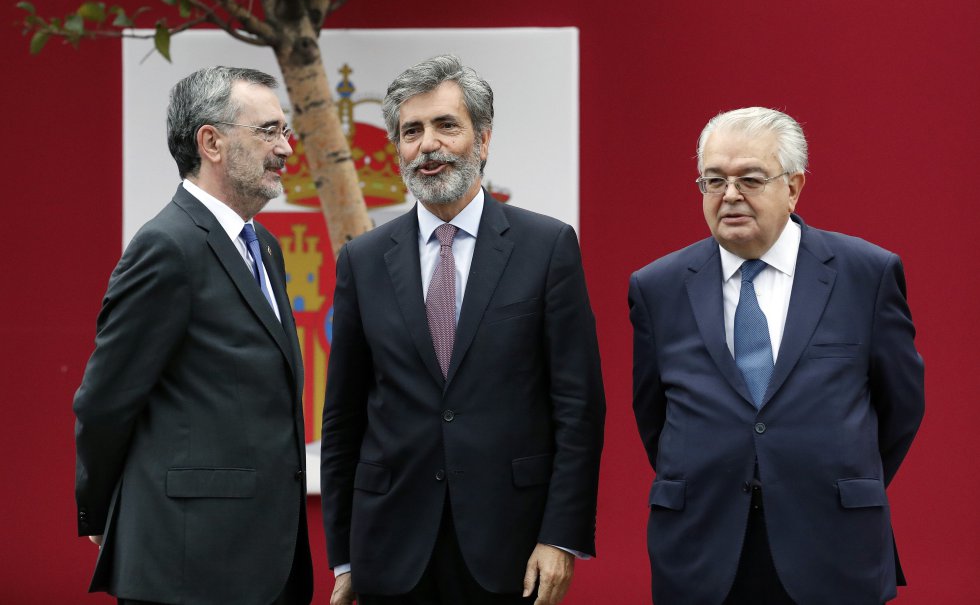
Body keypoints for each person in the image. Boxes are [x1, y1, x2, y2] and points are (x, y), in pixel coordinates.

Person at [320, 55, 605, 605]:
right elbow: (344, 418)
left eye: (446, 125)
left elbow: (579, 408)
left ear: (483, 139)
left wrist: (560, 537)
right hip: (390, 550)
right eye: (412, 131)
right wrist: (345, 554)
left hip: (513, 549)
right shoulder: (362, 259)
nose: (428, 145)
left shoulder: (547, 248)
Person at [628, 107, 924, 605]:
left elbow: (901, 408)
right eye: (714, 180)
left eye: (750, 179)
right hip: (703, 548)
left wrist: (835, 475)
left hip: (833, 545)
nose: (730, 195)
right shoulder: (657, 286)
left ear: (794, 186)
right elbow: (653, 414)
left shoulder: (865, 274)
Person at [73, 66, 313, 605]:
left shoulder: (265, 246)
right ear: (212, 142)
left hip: (263, 560)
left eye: (286, 131)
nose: (287, 148)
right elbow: (105, 399)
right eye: (269, 131)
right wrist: (101, 505)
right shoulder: (167, 246)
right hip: (188, 566)